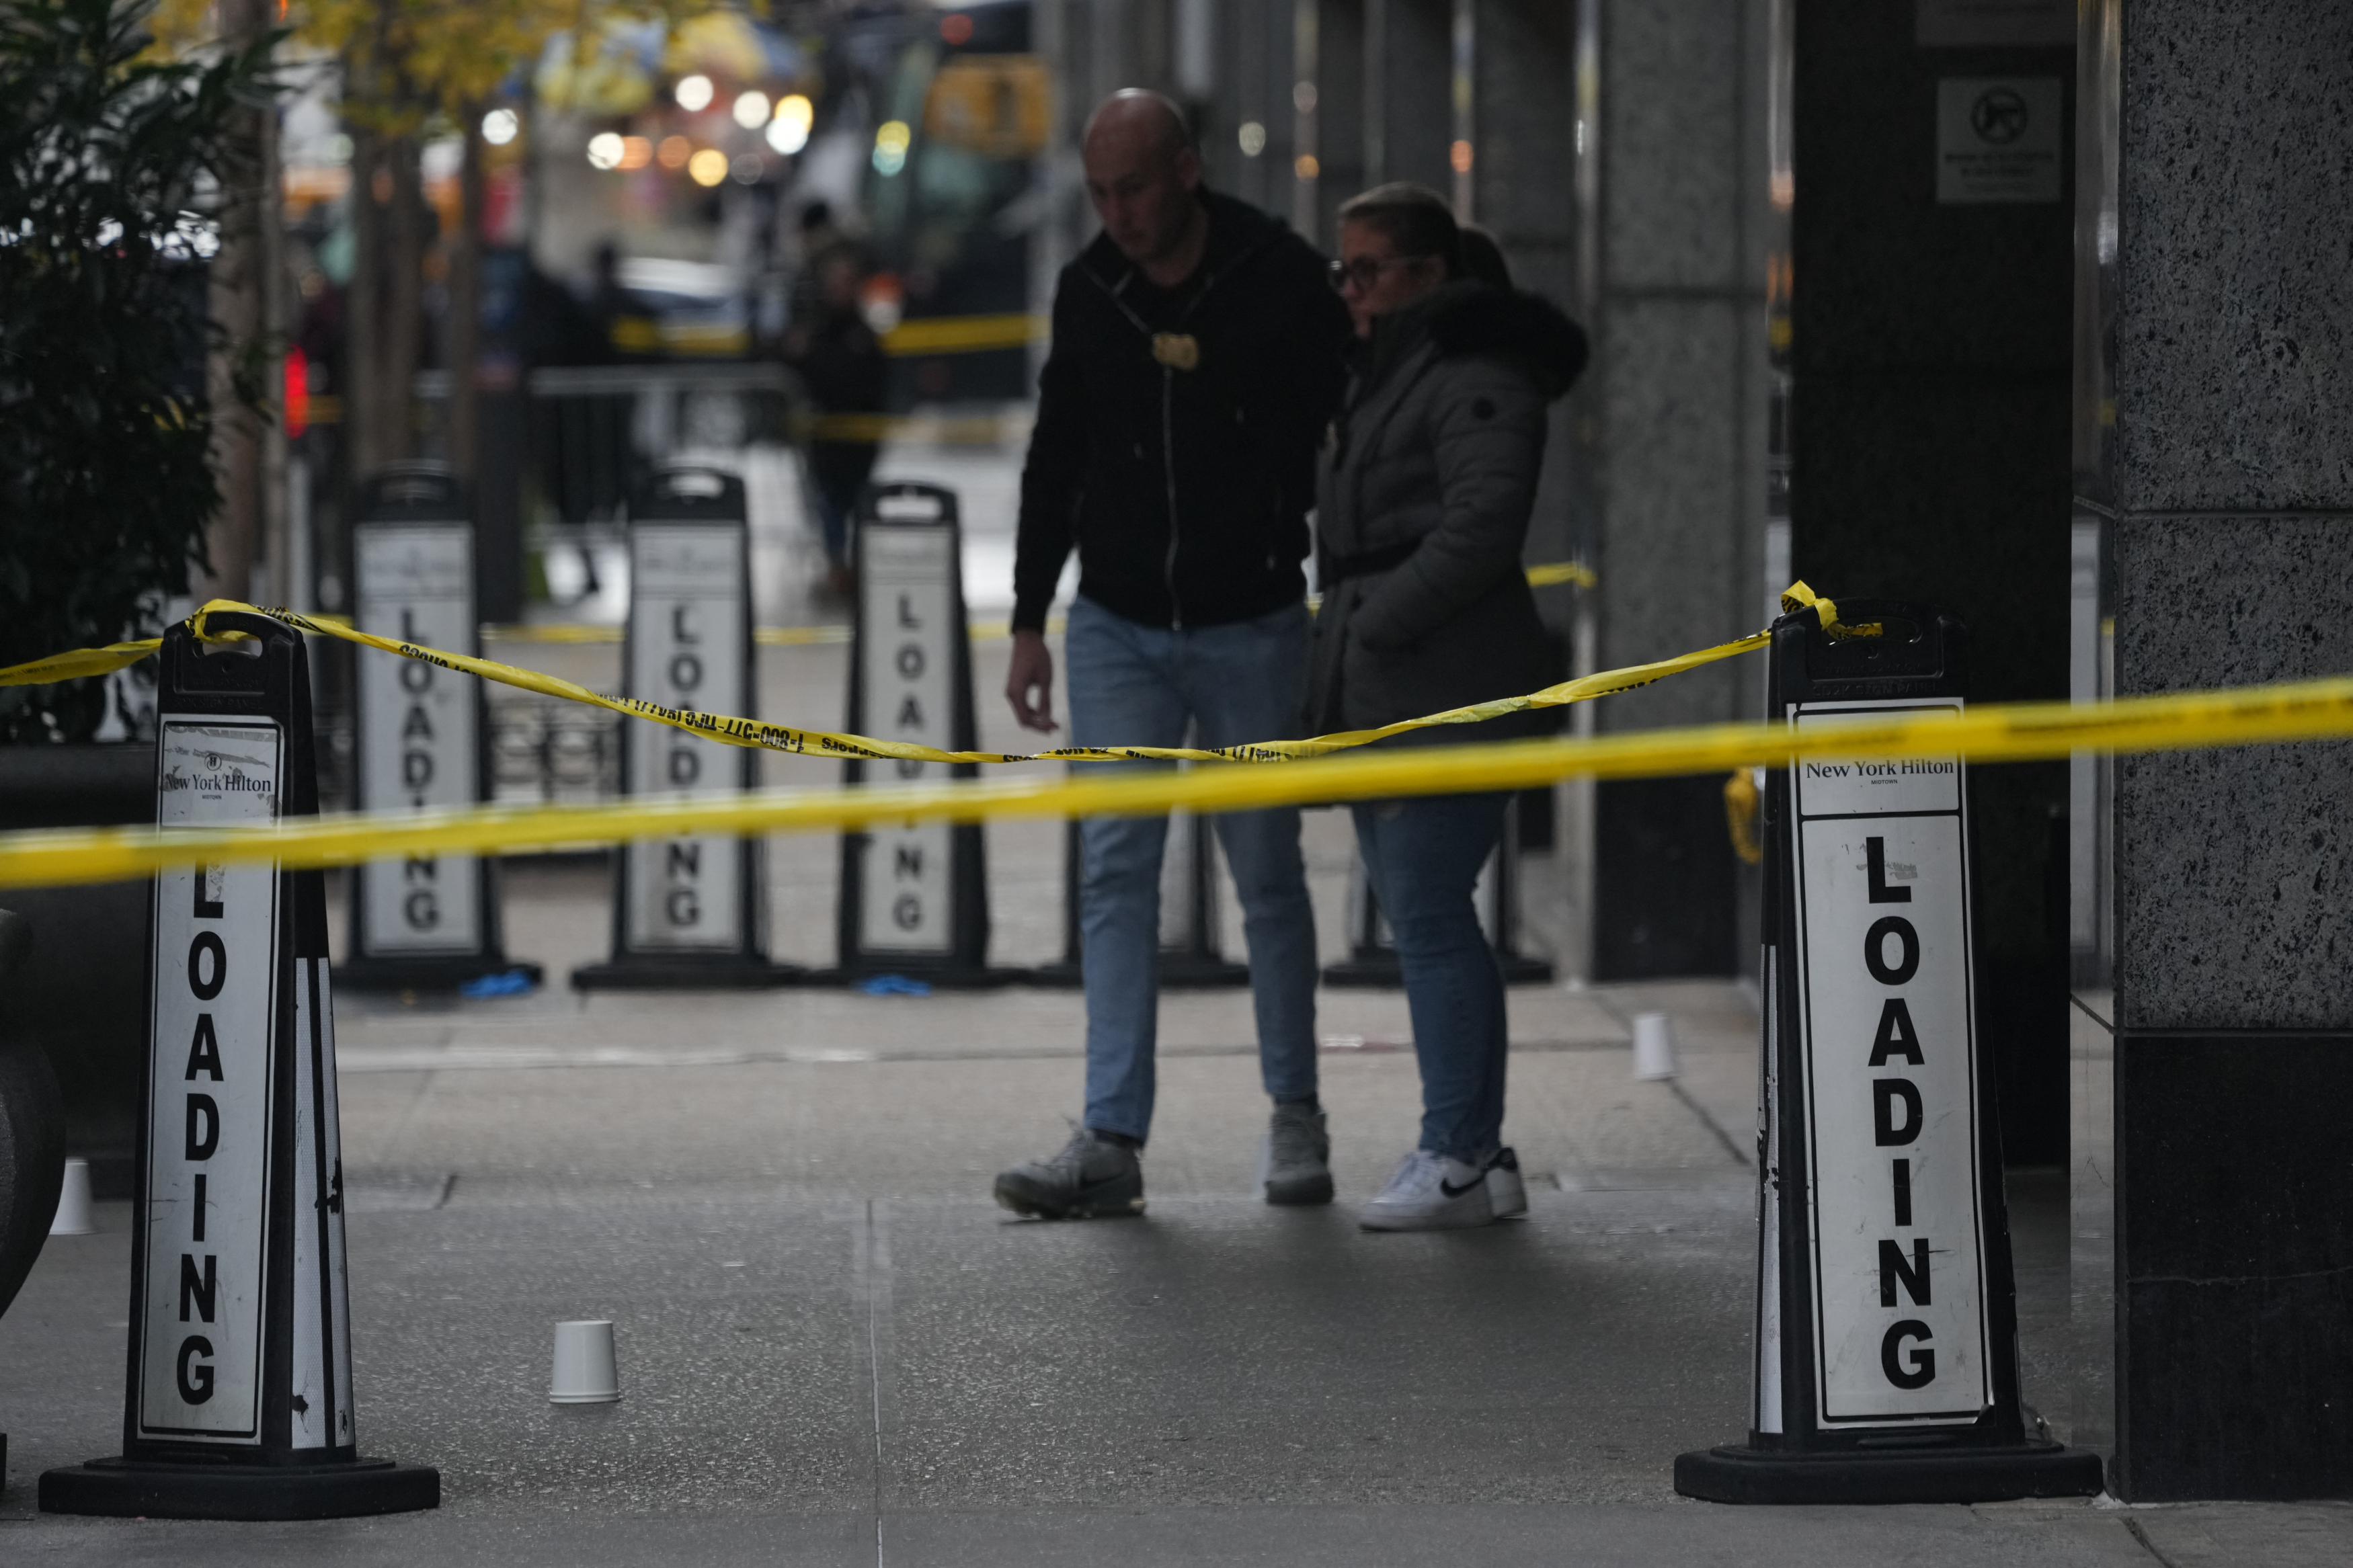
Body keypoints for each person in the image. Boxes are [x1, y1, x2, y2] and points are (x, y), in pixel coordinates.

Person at [994, 91, 1353, 1220]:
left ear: (1186, 171)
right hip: (1118, 621)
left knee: (1267, 873)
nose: (1118, 214)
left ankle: (1295, 1112)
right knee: (1113, 871)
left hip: (1251, 615)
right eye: (1100, 193)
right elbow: (1056, 456)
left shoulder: (1278, 275)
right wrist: (1026, 618)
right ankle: (1110, 1133)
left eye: (1134, 188)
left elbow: (1337, 424)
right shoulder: (1089, 289)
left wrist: (1314, 561)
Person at [1307, 183, 1587, 1231]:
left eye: (1368, 269)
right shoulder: (1396, 367)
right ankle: (1471, 1151)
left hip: (1443, 678)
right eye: (1344, 270)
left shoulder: (1471, 368)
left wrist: (1377, 623)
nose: (1352, 289)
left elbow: (1479, 526)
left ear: (1431, 274)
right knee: (1424, 913)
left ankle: (1462, 1151)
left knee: (1427, 914)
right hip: (1398, 676)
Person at [782, 247, 887, 599]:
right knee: (828, 508)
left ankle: (852, 571)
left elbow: (866, 382)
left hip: (858, 443)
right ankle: (837, 570)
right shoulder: (816, 329)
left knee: (856, 508)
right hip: (825, 442)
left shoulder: (863, 334)